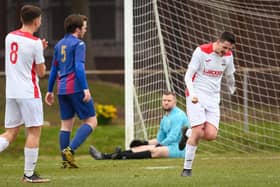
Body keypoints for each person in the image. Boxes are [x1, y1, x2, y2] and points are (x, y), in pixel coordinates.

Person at [0, 5, 50, 183]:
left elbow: (20, 56)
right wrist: (40, 51)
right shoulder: (35, 42)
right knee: (34, 131)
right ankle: (29, 175)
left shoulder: (9, 37)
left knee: (10, 133)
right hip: (29, 92)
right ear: (37, 21)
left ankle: (29, 175)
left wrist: (37, 50)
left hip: (11, 92)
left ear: (22, 19)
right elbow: (41, 72)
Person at [180, 31, 236, 177]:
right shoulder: (201, 51)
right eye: (224, 48)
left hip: (213, 98)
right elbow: (188, 75)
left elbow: (230, 75)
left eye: (229, 49)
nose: (226, 51)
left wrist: (232, 88)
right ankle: (187, 169)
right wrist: (192, 94)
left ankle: (187, 133)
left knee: (211, 135)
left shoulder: (228, 57)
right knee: (198, 131)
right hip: (196, 94)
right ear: (218, 41)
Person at [45, 14, 97, 169]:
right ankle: (70, 150)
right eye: (84, 27)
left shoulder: (59, 44)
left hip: (62, 90)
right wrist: (85, 88)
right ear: (77, 29)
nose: (85, 30)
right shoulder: (79, 44)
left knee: (66, 125)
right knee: (92, 121)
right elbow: (79, 67)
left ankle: (65, 160)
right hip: (75, 88)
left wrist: (49, 90)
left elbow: (54, 68)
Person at [89, 91, 190, 160]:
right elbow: (160, 139)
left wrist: (154, 145)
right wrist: (145, 142)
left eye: (169, 101)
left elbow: (172, 138)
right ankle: (104, 156)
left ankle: (120, 156)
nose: (166, 103)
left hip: (179, 149)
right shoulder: (165, 118)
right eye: (164, 100)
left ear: (175, 102)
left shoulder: (178, 116)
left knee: (155, 150)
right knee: (141, 147)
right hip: (168, 146)